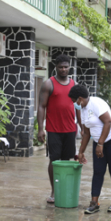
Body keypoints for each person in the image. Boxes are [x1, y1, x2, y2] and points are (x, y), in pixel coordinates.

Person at [69, 84, 111, 214]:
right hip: (98, 142)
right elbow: (87, 133)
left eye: (74, 101)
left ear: (79, 99)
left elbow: (108, 122)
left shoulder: (96, 103)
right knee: (98, 172)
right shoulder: (83, 109)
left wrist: (100, 144)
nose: (74, 104)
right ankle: (94, 202)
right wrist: (81, 152)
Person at [37, 55, 80, 204]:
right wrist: (40, 129)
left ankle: (64, 189)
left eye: (66, 67)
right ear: (56, 67)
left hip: (70, 129)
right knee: (54, 161)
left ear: (69, 67)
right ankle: (54, 191)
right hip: (53, 129)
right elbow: (41, 106)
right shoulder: (49, 84)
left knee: (67, 160)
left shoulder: (74, 84)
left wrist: (80, 126)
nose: (63, 69)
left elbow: (78, 106)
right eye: (61, 67)